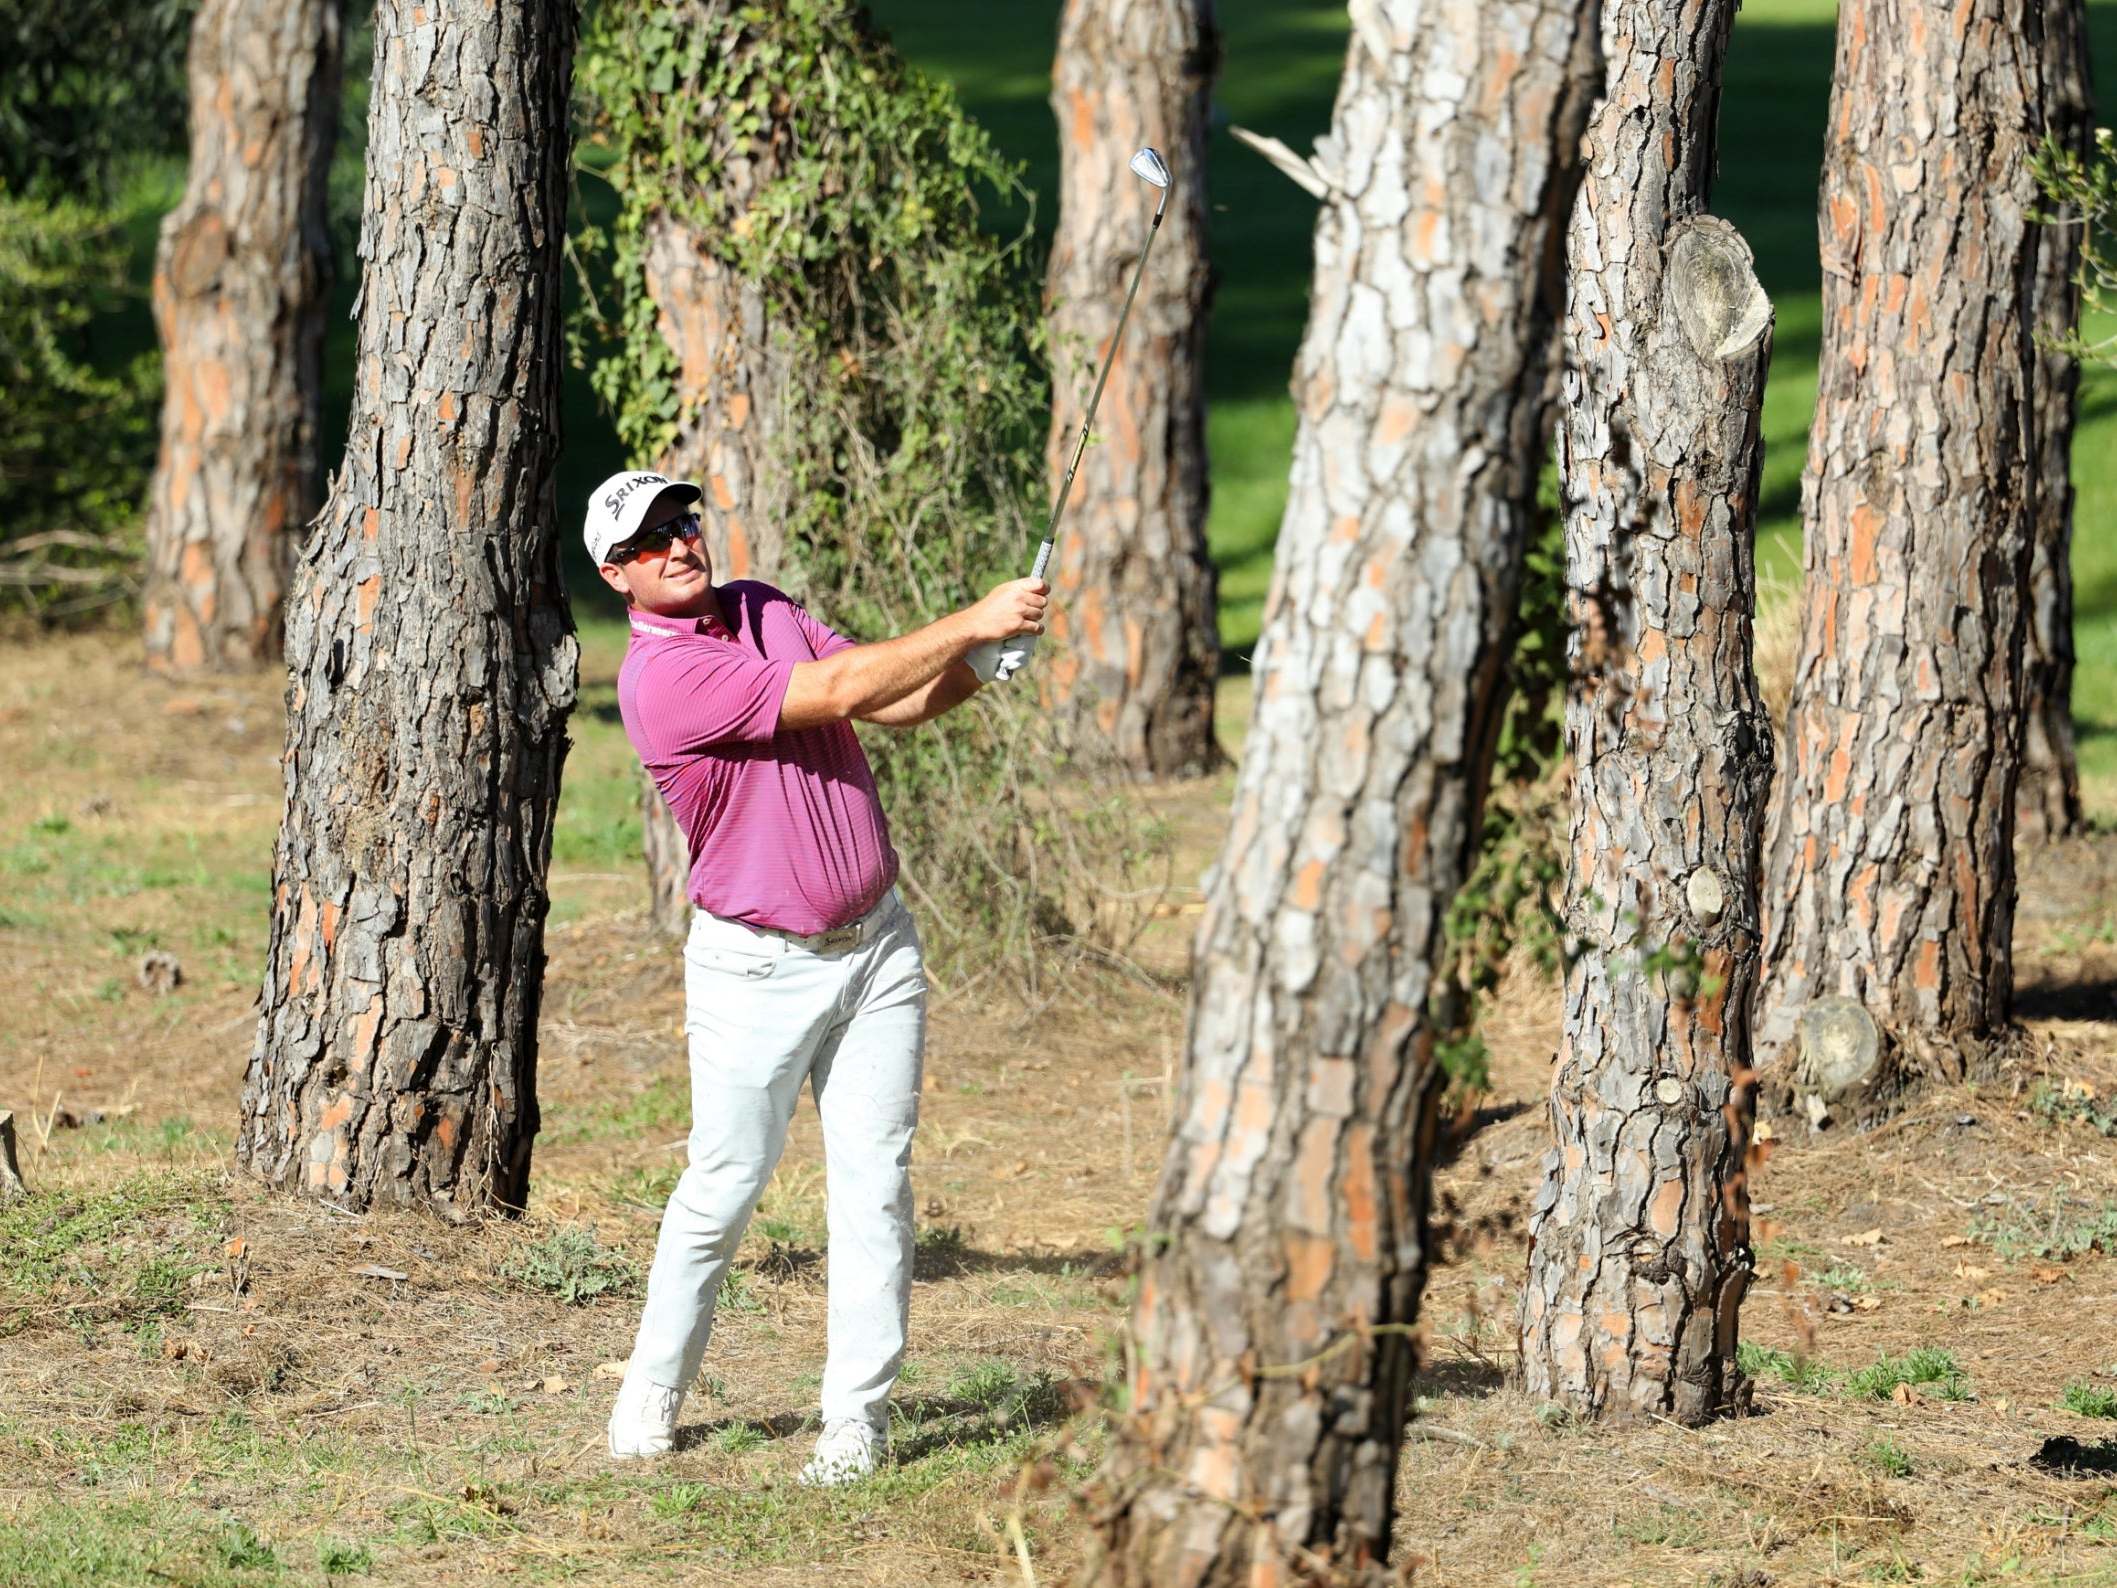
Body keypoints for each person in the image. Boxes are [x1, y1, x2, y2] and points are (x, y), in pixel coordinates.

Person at [584, 469, 1045, 1484]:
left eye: (683, 521)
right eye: (650, 540)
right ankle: (655, 1384)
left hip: (875, 947)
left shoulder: (765, 608)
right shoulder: (657, 680)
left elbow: (885, 700)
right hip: (755, 970)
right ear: (617, 575)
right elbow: (831, 692)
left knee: (876, 1187)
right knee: (724, 1187)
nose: (679, 544)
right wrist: (971, 614)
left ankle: (854, 1419)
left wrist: (979, 662)